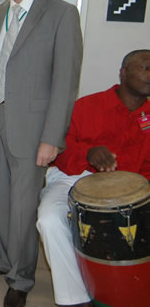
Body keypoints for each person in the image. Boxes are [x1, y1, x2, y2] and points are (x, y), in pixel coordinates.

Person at [0, 0, 83, 307]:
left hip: (33, 129)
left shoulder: (62, 14)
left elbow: (65, 82)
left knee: (23, 207)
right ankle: (4, 260)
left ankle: (22, 277)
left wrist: (52, 137)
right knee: (0, 202)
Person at [36, 49, 150, 307]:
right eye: (145, 67)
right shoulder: (86, 106)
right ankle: (74, 298)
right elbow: (58, 152)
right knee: (49, 219)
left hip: (132, 193)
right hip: (74, 178)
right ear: (123, 72)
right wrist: (87, 154)